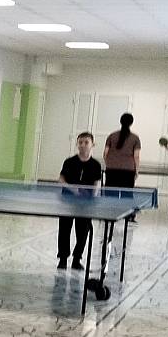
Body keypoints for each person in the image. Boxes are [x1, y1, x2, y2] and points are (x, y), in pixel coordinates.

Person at [58, 131, 102, 269]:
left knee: (83, 232)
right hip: (67, 201)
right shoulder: (69, 162)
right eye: (80, 142)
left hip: (85, 204)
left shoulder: (96, 165)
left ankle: (77, 259)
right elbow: (61, 179)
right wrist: (73, 189)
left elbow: (96, 183)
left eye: (86, 142)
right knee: (64, 230)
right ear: (77, 144)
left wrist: (93, 197)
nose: (83, 145)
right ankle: (63, 259)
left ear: (93, 144)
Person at [103, 112, 141, 220]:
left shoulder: (111, 136)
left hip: (112, 169)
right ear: (131, 123)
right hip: (128, 170)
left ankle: (109, 213)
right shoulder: (135, 138)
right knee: (127, 194)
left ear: (120, 121)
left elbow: (105, 154)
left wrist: (109, 164)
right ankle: (128, 215)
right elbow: (136, 156)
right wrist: (137, 170)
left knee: (110, 193)